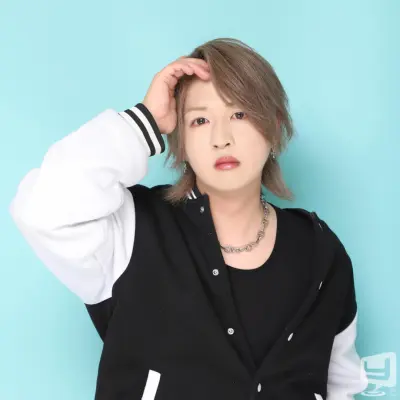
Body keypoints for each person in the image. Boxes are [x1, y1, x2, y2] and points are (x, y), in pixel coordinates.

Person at [10, 38, 368, 400]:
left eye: (240, 114)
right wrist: (145, 121)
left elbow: (342, 384)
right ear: (180, 139)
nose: (221, 138)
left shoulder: (319, 251)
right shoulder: (130, 230)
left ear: (273, 127)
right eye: (200, 120)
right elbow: (40, 209)